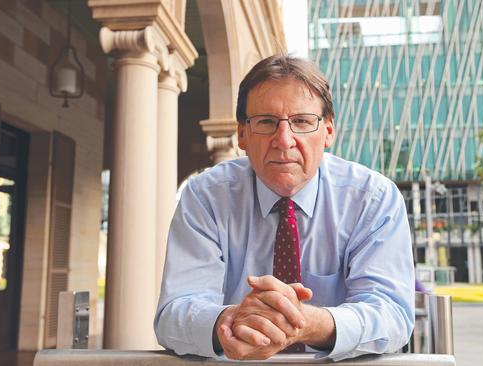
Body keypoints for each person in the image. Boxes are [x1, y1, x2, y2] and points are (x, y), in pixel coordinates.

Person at [154, 55, 414, 361]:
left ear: (328, 130)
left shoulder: (372, 199)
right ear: (242, 134)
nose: (284, 140)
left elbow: (392, 314)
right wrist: (231, 321)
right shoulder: (205, 197)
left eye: (302, 121)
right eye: (266, 122)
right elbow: (174, 314)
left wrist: (304, 322)